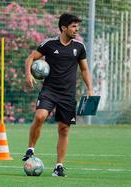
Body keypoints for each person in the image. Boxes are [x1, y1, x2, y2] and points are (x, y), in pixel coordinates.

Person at [23, 13, 93, 177]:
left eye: (77, 26)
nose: (77, 29)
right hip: (49, 90)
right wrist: (28, 74)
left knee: (64, 129)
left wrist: (90, 89)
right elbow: (30, 58)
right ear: (64, 28)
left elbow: (84, 69)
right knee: (40, 116)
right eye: (74, 26)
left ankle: (59, 167)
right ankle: (30, 148)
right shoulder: (49, 44)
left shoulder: (79, 47)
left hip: (67, 95)